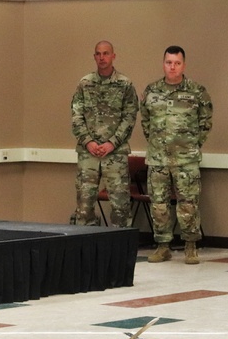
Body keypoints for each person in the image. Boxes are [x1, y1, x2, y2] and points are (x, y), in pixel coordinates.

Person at [140, 46, 213, 264]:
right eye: (169, 62)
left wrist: (191, 144)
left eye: (177, 63)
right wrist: (157, 144)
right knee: (159, 204)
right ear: (163, 63)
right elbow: (145, 122)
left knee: (188, 203)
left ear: (184, 65)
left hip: (186, 159)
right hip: (158, 158)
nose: (172, 67)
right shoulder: (151, 91)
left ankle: (190, 246)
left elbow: (206, 122)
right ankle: (163, 246)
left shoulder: (197, 91)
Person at [71, 41, 139, 226]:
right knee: (84, 206)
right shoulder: (85, 84)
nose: (102, 57)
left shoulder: (125, 84)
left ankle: (120, 247)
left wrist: (112, 143)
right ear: (94, 57)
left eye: (106, 53)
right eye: (98, 54)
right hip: (88, 153)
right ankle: (89, 245)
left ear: (113, 56)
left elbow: (129, 117)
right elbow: (76, 116)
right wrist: (88, 142)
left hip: (115, 154)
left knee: (120, 206)